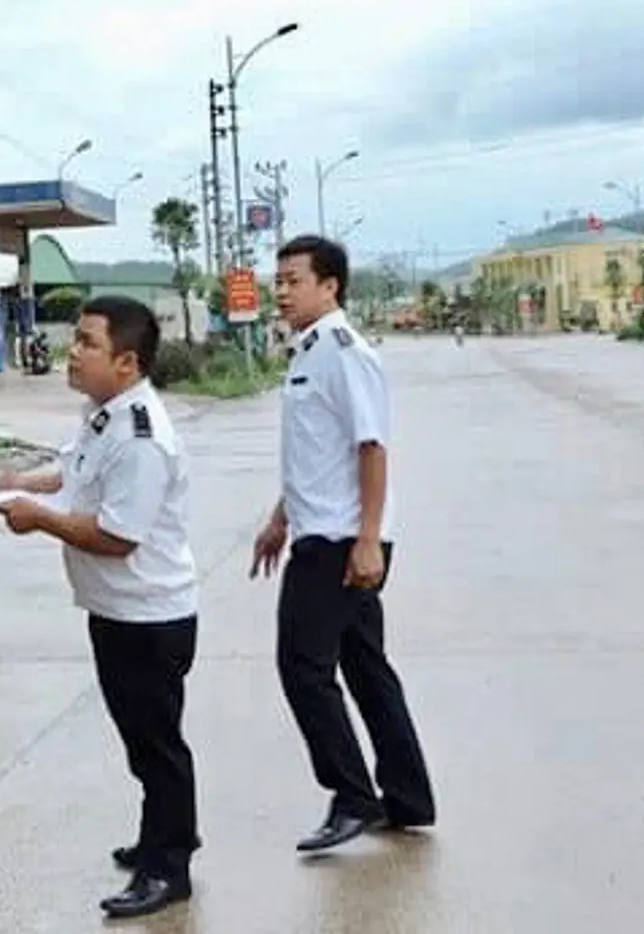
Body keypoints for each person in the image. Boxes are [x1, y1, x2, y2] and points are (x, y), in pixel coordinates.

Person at [0, 296, 200, 918]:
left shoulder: (142, 436)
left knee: (158, 745)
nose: (73, 352)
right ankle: (162, 836)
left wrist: (41, 522)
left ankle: (170, 870)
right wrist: (19, 483)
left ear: (127, 361)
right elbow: (72, 472)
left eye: (87, 343)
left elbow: (117, 537)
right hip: (117, 613)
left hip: (148, 617)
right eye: (75, 340)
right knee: (142, 741)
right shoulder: (106, 415)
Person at [252, 235, 435, 853]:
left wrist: (368, 540)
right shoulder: (308, 351)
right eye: (277, 280)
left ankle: (353, 795)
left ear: (330, 286)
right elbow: (317, 454)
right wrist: (280, 516)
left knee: (303, 668)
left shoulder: (342, 351)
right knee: (365, 669)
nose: (281, 291)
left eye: (294, 280)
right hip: (323, 529)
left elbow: (370, 446)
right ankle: (407, 797)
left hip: (339, 544)